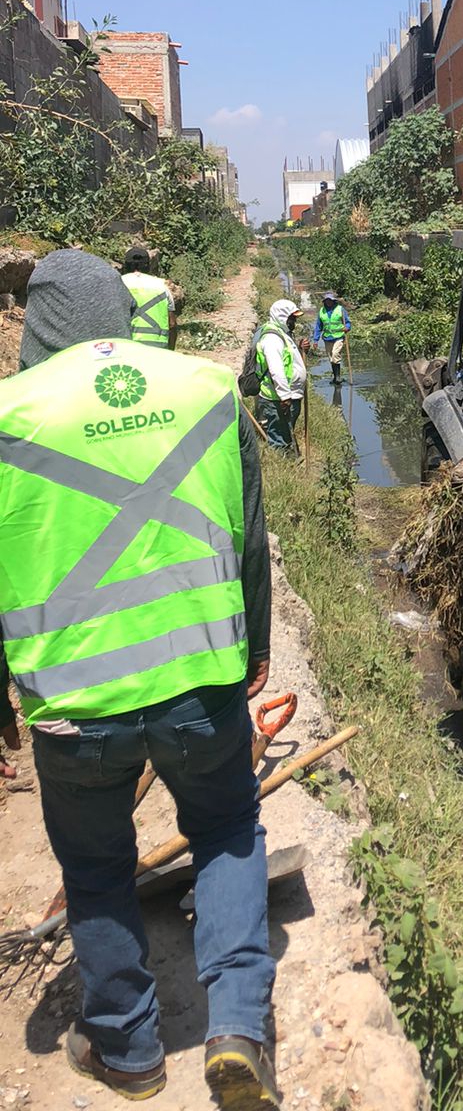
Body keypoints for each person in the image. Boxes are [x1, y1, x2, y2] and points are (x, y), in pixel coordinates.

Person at [0, 249, 278, 1108]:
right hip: (201, 683)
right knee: (228, 830)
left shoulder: (9, 414)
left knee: (96, 870)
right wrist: (256, 649)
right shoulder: (203, 391)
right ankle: (236, 1028)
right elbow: (249, 540)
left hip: (74, 711)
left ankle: (127, 1050)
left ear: (38, 325)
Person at [254, 299, 307, 452]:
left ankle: (290, 459)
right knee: (279, 437)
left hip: (289, 395)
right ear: (283, 317)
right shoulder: (272, 338)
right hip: (278, 398)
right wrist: (285, 396)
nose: (294, 321)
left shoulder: (283, 333)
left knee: (286, 432)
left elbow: (289, 359)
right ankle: (282, 463)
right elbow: (276, 369)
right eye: (292, 318)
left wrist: (302, 349)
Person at [120, 246, 176, 350]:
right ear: (148, 266)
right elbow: (172, 324)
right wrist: (171, 352)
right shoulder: (162, 286)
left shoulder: (118, 284)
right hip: (157, 348)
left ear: (126, 266)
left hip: (126, 347)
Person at [310, 292, 351, 382]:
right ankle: (335, 377)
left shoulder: (340, 309)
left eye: (330, 300)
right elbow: (318, 326)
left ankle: (338, 377)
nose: (328, 302)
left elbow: (347, 322)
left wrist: (347, 328)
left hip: (338, 336)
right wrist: (315, 340)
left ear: (333, 301)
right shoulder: (322, 311)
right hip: (327, 337)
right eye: (327, 301)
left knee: (335, 355)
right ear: (324, 302)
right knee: (331, 358)